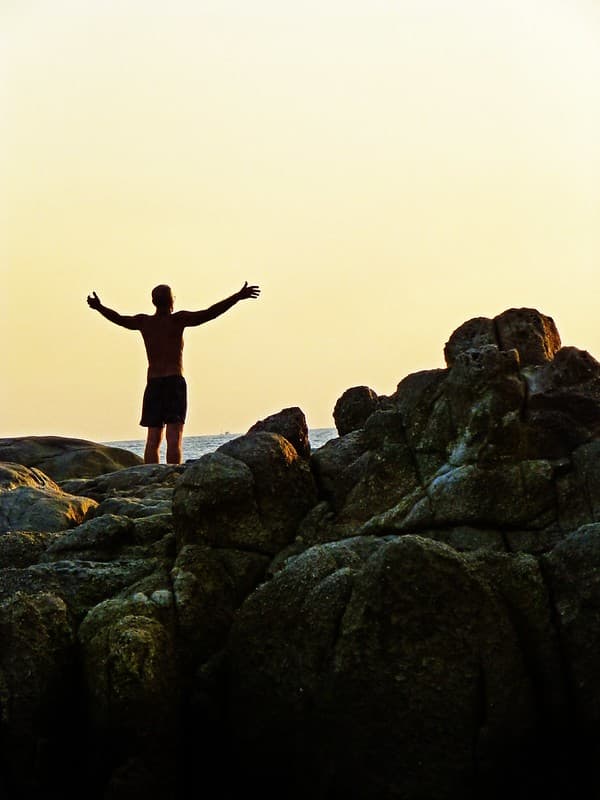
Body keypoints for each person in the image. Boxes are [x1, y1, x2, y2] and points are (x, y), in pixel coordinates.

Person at [87, 282, 260, 464]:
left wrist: (99, 307)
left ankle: (151, 477)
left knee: (153, 438)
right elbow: (210, 313)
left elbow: (118, 318)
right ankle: (172, 478)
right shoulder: (178, 320)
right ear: (171, 301)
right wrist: (237, 297)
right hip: (174, 382)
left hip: (154, 383)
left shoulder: (144, 322)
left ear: (153, 302)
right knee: (174, 437)